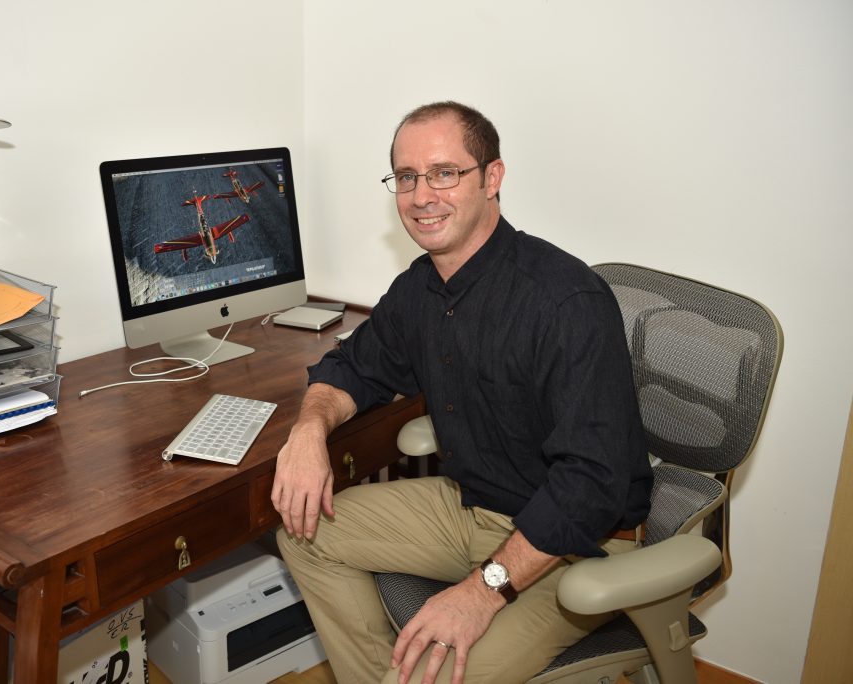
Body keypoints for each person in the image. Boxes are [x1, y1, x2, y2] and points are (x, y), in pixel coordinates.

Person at [271, 101, 652, 684]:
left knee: (444, 674)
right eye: (406, 177)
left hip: (575, 542)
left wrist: (480, 592)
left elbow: (590, 487)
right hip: (475, 509)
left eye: (444, 173)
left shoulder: (567, 301)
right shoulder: (419, 289)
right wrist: (308, 429)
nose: (422, 195)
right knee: (304, 529)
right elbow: (352, 366)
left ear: (492, 178)